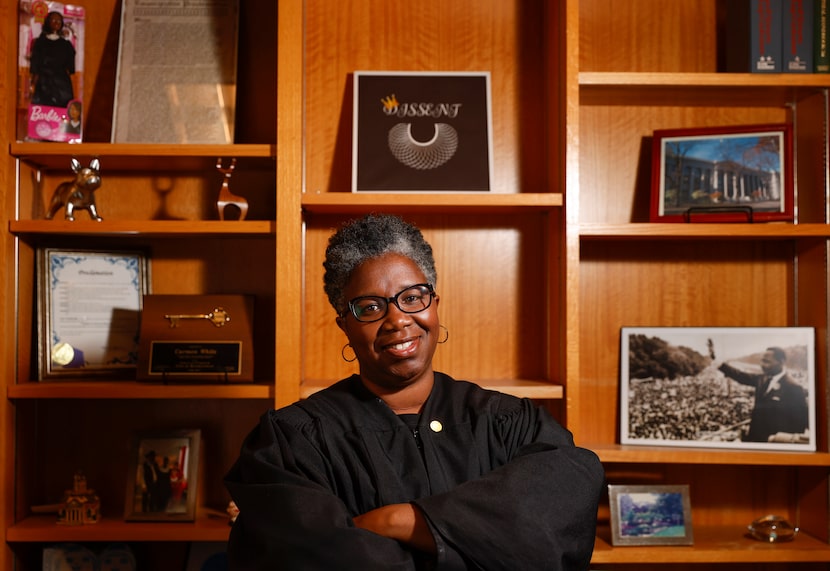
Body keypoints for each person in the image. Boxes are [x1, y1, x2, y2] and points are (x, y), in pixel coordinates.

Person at [225, 213, 604, 570]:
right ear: (345, 325)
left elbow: (561, 512)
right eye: (370, 307)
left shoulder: (508, 423)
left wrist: (400, 520)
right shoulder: (294, 442)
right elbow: (307, 558)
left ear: (434, 306)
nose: (397, 320)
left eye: (412, 297)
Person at [718, 346, 809, 443]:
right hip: (755, 438)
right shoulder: (762, 378)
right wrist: (719, 364)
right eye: (762, 361)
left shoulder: (793, 388)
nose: (762, 365)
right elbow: (741, 376)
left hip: (774, 443)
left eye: (767, 362)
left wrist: (780, 440)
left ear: (781, 362)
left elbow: (800, 422)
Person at [29, 11, 76, 108]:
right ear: (47, 22)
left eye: (59, 21)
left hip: (61, 84)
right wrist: (33, 83)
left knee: (61, 112)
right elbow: (35, 65)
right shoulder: (40, 42)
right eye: (53, 20)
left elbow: (70, 68)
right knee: (42, 110)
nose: (56, 23)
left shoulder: (66, 45)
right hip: (43, 83)